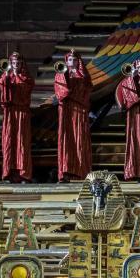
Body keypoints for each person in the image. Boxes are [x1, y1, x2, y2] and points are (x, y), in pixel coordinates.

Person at [55, 49, 92, 183]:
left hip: (79, 109)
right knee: (67, 139)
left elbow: (87, 90)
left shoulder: (83, 75)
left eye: (75, 60)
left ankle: (81, 172)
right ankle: (66, 171)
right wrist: (65, 76)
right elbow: (60, 92)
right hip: (66, 110)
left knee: (79, 139)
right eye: (70, 60)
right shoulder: (61, 74)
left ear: (78, 62)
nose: (72, 62)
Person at [0, 51, 34, 183]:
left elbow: (25, 89)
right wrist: (7, 76)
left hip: (22, 112)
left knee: (22, 141)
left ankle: (23, 173)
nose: (16, 65)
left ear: (21, 64)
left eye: (18, 63)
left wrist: (16, 77)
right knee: (9, 141)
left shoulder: (26, 78)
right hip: (10, 113)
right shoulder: (5, 76)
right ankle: (9, 173)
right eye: (13, 63)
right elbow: (2, 88)